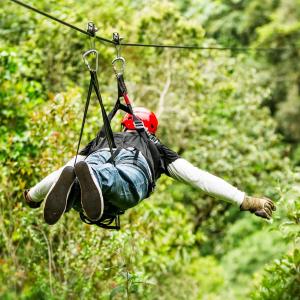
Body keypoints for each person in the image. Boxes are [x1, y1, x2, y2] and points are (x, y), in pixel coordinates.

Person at [23, 107, 276, 226]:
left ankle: (79, 186)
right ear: (151, 128)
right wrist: (245, 200)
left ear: (123, 125)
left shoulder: (104, 137)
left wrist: (33, 195)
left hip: (97, 156)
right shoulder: (155, 146)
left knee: (80, 166)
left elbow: (66, 166)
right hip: (133, 170)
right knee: (113, 176)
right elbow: (198, 178)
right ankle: (92, 180)